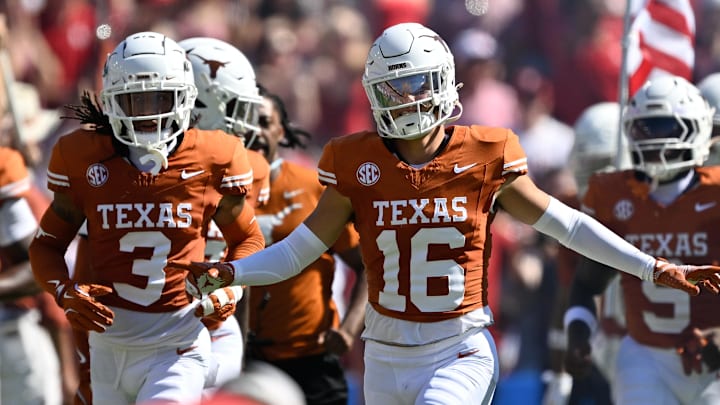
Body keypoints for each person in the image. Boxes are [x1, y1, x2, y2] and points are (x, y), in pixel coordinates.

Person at [172, 23, 720, 405]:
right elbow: (301, 250)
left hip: (458, 345)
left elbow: (565, 224)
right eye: (393, 87)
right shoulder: (354, 158)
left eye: (415, 84)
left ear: (441, 84)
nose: (406, 99)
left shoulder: (486, 152)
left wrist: (649, 266)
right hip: (384, 353)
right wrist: (235, 271)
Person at [28, 31, 264, 404]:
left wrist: (231, 286)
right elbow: (47, 246)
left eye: (159, 98)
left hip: (180, 339)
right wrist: (65, 291)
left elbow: (249, 241)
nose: (148, 113)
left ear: (187, 98)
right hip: (109, 344)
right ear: (111, 102)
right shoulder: (83, 157)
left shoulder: (215, 156)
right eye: (134, 101)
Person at [564, 75, 720, 405]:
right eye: (645, 129)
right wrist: (578, 333)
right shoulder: (612, 196)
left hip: (713, 360)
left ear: (698, 129)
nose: (655, 141)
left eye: (666, 128)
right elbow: (587, 283)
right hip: (645, 356)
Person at [242, 85, 367, 405]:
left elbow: (367, 264)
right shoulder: (218, 190)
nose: (254, 131)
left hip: (312, 357)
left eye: (263, 121)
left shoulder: (311, 185)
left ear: (281, 131)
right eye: (245, 121)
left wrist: (349, 330)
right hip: (246, 360)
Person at [179, 35, 271, 393]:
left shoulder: (252, 168)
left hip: (216, 327)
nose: (247, 125)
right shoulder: (138, 168)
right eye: (236, 109)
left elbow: (245, 263)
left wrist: (242, 342)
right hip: (144, 324)